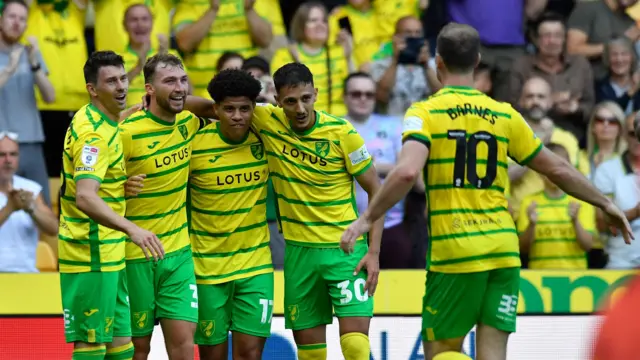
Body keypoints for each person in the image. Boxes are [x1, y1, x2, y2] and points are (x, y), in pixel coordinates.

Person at [340, 23, 633, 360]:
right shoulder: (504, 114)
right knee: (493, 354)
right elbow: (558, 168)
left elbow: (406, 171)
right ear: (477, 61)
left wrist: (366, 218)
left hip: (455, 253)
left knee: (442, 351)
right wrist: (604, 202)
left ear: (438, 62)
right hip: (503, 251)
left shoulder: (425, 112)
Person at [181, 62, 384, 360]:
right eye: (290, 101)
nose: (300, 108)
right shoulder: (264, 119)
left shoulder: (343, 133)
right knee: (311, 355)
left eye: (305, 98)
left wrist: (375, 251)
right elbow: (213, 107)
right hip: (299, 256)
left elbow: (377, 192)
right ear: (277, 101)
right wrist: (148, 105)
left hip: (345, 251)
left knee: (355, 346)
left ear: (316, 93)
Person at [58, 51, 163, 360]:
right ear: (92, 89)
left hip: (109, 250)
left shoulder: (101, 119)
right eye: (111, 81)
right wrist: (133, 229)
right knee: (91, 342)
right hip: (90, 249)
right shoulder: (95, 134)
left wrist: (118, 186)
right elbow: (85, 195)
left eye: (122, 78)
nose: (121, 86)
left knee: (121, 343)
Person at [119, 53, 206, 360]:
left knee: (183, 344)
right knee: (137, 349)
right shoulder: (127, 132)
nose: (179, 87)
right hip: (135, 257)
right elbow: (88, 191)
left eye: (183, 80)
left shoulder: (190, 123)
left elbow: (222, 109)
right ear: (149, 88)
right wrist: (121, 188)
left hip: (178, 253)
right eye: (169, 81)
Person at [193, 69, 273, 359]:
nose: (237, 116)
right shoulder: (195, 145)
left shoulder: (266, 136)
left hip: (256, 267)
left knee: (250, 355)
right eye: (228, 109)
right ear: (215, 109)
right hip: (207, 270)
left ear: (254, 109)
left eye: (244, 108)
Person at [517, 143, 596, 269]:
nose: (553, 172)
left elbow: (587, 246)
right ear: (538, 171)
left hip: (576, 276)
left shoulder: (582, 201)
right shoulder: (529, 202)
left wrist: (575, 221)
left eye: (558, 166)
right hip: (539, 278)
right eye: (546, 166)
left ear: (569, 168)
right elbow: (523, 249)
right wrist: (531, 225)